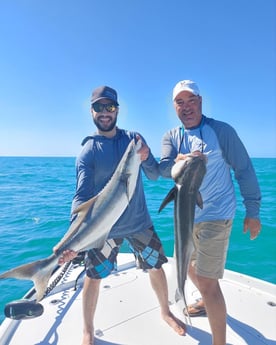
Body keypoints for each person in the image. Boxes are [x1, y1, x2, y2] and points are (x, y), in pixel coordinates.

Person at [57, 85, 186, 345]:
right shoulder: (88, 151)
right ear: (91, 111)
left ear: (117, 110)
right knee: (93, 277)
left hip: (139, 222)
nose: (105, 112)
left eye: (110, 107)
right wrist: (72, 239)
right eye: (99, 107)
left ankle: (165, 311)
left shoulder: (134, 140)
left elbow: (152, 174)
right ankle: (87, 331)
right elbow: (81, 198)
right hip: (105, 229)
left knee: (156, 267)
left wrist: (148, 156)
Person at [159, 80, 261, 345]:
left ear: (201, 102)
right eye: (180, 102)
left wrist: (253, 210)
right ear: (174, 107)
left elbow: (244, 169)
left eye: (191, 100)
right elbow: (164, 167)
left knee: (207, 280)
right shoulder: (171, 136)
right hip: (186, 216)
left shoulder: (221, 131)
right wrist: (175, 165)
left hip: (217, 213)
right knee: (186, 266)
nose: (186, 107)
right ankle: (205, 300)